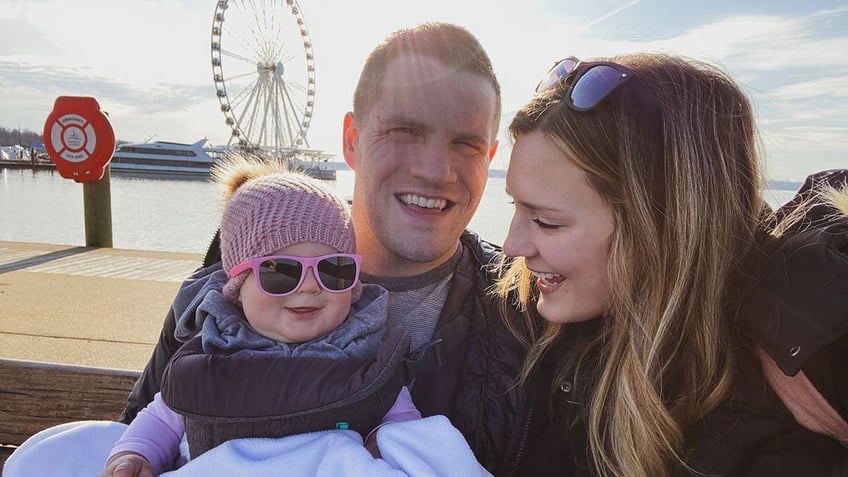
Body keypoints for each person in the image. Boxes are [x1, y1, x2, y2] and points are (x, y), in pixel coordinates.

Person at [117, 22, 542, 476]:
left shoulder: (528, 314)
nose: (436, 169)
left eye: (467, 145)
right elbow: (144, 427)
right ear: (352, 141)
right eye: (404, 131)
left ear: (491, 157)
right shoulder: (220, 278)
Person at [5, 157, 490, 477]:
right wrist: (134, 454)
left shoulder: (367, 354)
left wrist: (388, 453)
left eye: (334, 270)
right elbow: (165, 413)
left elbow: (404, 426)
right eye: (280, 272)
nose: (308, 286)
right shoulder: (214, 351)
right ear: (237, 284)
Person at [493, 52, 848, 476]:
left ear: (666, 225)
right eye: (514, 206)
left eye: (546, 222)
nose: (512, 246)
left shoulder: (808, 365)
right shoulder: (535, 322)